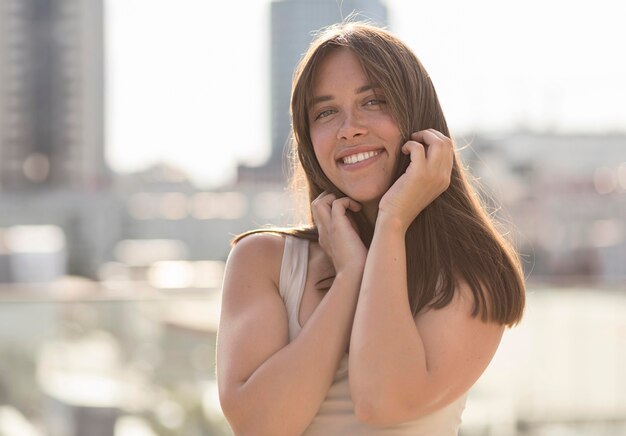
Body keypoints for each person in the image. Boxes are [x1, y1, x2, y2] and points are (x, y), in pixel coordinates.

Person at [216, 21, 525, 436]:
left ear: (417, 116)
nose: (349, 128)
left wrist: (392, 223)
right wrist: (349, 276)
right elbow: (259, 427)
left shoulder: (472, 272)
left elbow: (382, 400)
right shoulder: (264, 261)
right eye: (326, 112)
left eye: (374, 101)